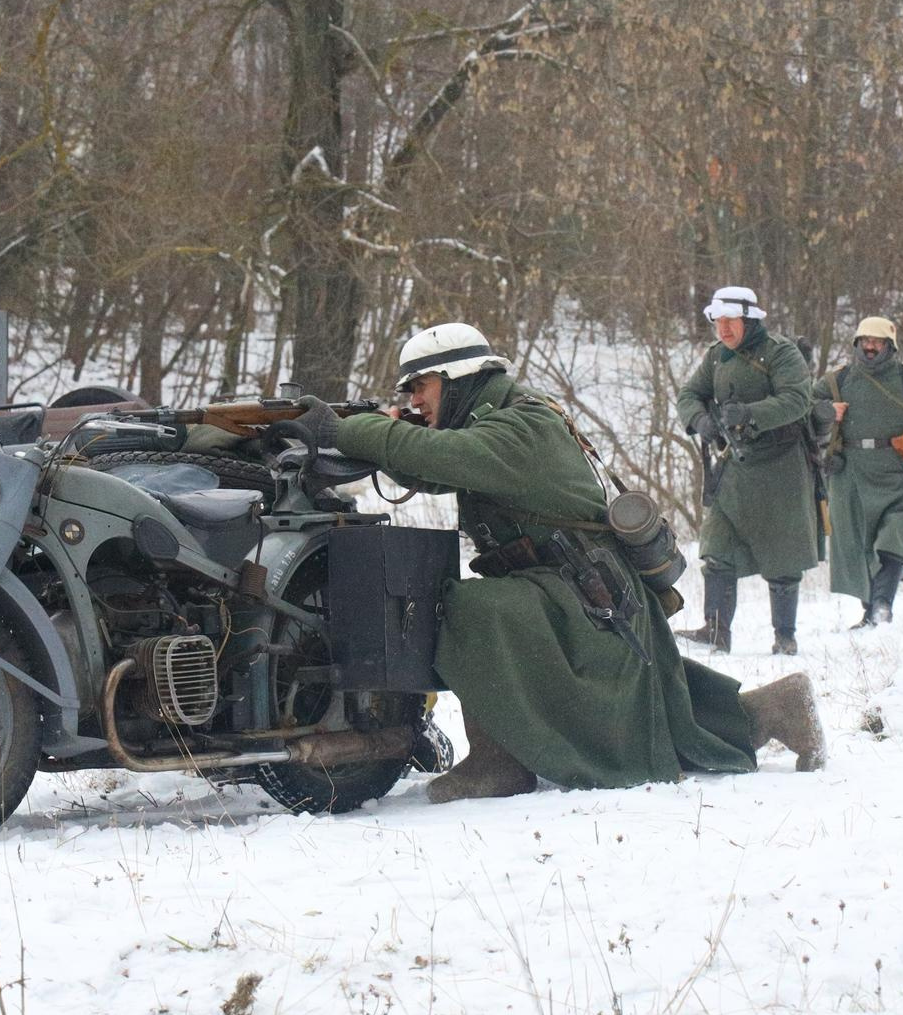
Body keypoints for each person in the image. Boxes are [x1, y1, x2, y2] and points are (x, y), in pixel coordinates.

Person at [279, 322, 826, 803]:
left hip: (583, 595)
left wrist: (348, 430)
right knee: (653, 707)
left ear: (457, 379)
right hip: (577, 592)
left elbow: (443, 458)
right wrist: (372, 430)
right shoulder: (499, 420)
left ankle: (500, 764)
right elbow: (432, 469)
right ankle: (776, 708)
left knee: (466, 606)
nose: (415, 398)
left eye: (420, 387)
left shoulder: (520, 427)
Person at [676, 286, 823, 655]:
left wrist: (751, 413)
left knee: (783, 555)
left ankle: (784, 637)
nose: (723, 329)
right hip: (735, 467)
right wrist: (701, 421)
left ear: (750, 320)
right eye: (717, 321)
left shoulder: (781, 353)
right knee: (717, 547)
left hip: (781, 466)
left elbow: (796, 400)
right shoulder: (716, 357)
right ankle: (716, 630)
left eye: (730, 321)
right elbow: (688, 395)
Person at [821, 316, 903, 626]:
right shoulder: (838, 381)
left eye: (877, 342)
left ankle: (882, 605)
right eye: (864, 341)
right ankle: (870, 612)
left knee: (894, 540)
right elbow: (804, 410)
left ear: (889, 346)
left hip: (900, 476)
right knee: (858, 547)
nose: (870, 347)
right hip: (851, 475)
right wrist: (825, 413)